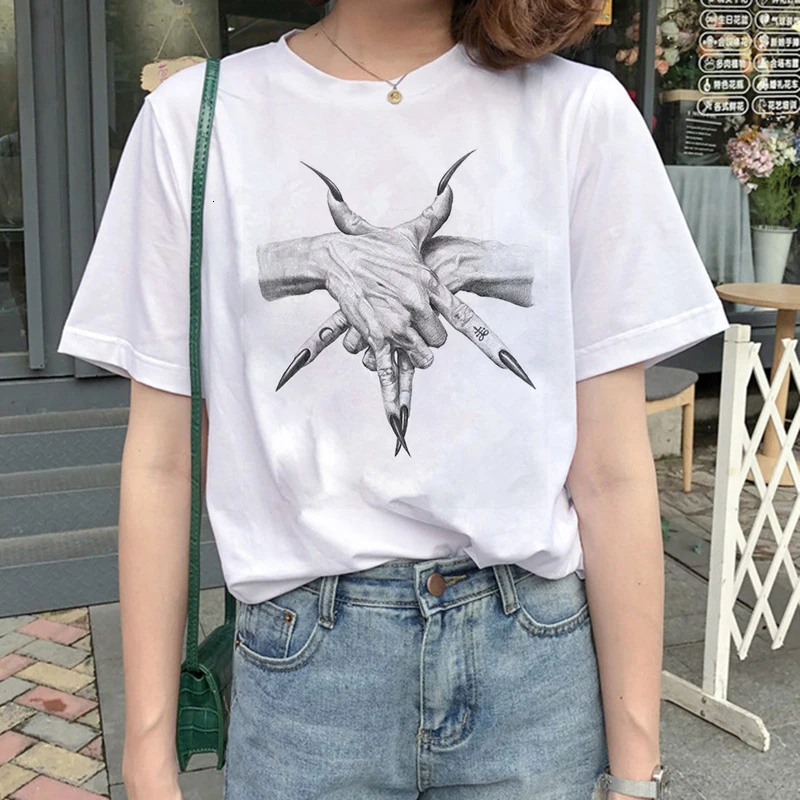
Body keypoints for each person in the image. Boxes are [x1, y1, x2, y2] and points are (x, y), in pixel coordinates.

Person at [57, 1, 730, 798]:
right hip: (304, 683)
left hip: (533, 672)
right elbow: (163, 461)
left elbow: (612, 472)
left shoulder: (580, 114)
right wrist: (147, 759)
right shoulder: (197, 123)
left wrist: (635, 775)